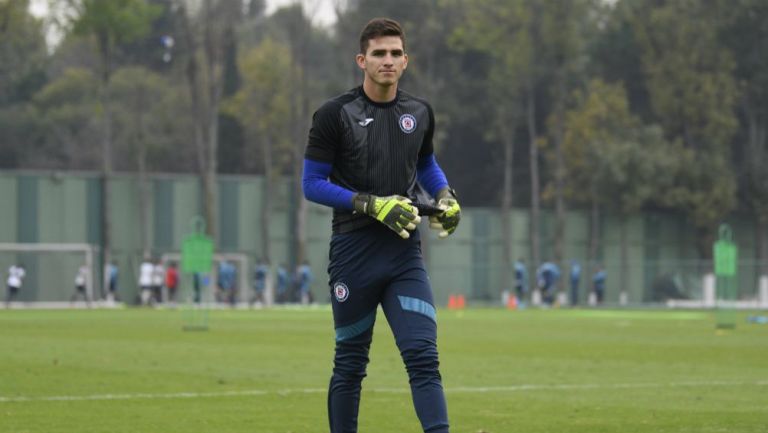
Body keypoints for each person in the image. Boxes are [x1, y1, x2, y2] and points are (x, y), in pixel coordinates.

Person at [302, 18, 458, 433]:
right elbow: (311, 184)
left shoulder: (420, 112)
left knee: (423, 356)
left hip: (404, 252)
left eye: (394, 54)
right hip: (353, 254)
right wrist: (370, 205)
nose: (387, 61)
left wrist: (444, 196)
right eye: (378, 54)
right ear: (362, 60)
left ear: (405, 61)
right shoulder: (334, 115)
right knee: (350, 365)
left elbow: (425, 162)